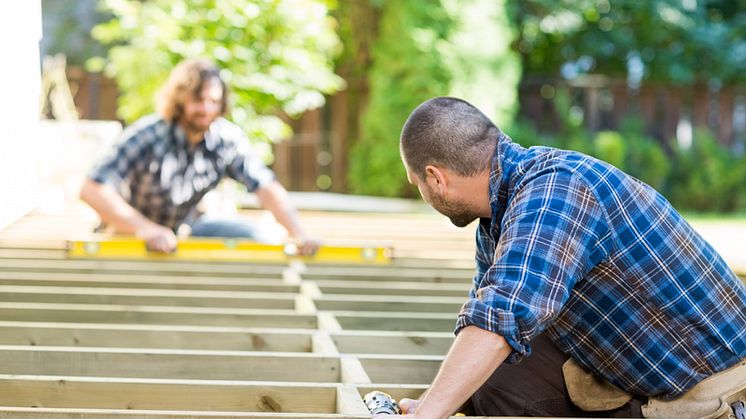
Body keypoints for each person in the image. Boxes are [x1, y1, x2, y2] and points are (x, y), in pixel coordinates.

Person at [384, 97, 746, 419]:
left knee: (494, 350)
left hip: (713, 389)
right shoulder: (497, 219)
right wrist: (431, 402)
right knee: (490, 378)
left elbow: (501, 316)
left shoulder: (556, 190)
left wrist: (428, 415)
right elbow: (483, 322)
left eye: (418, 186)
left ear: (435, 179)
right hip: (645, 375)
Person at [80, 58, 316, 253]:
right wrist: (146, 229)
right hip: (128, 233)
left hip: (182, 232)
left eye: (213, 101)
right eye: (198, 100)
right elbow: (92, 189)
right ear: (180, 99)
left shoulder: (226, 139)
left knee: (255, 237)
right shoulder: (148, 135)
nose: (206, 109)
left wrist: (299, 234)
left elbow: (265, 186)